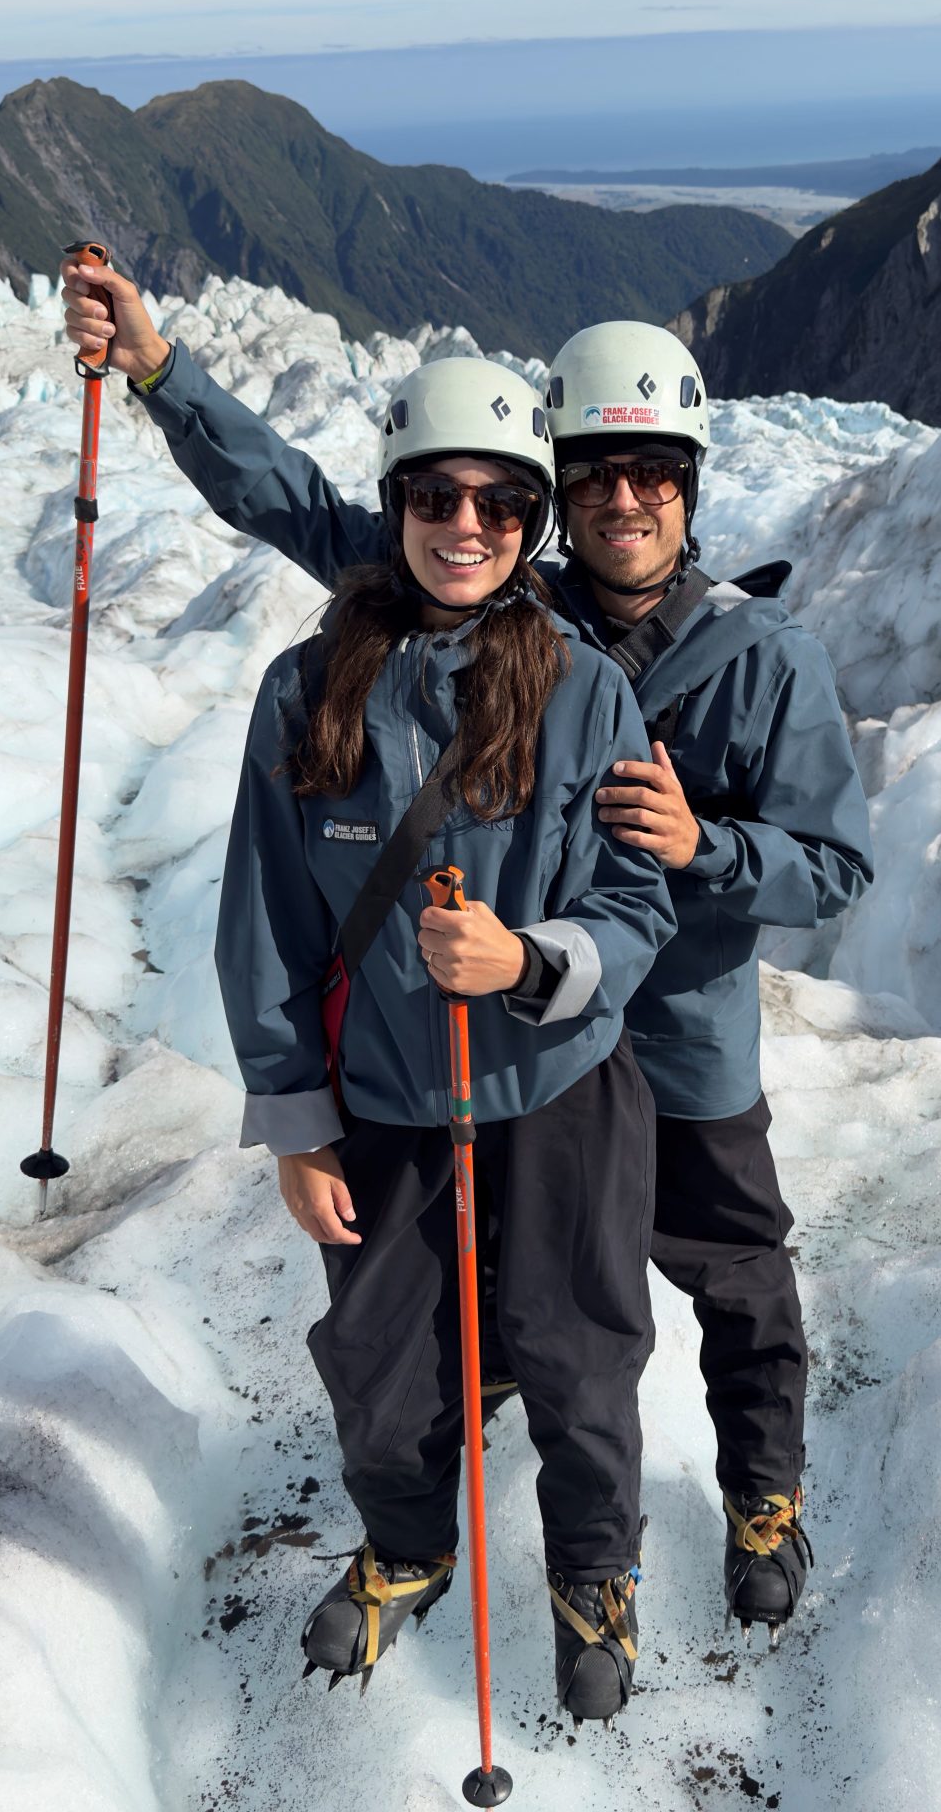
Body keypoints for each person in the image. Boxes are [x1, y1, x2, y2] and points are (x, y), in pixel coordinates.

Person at [64, 264, 872, 1646]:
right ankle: (454, 1503)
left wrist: (702, 851)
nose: (625, 499)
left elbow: (836, 868)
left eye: (654, 473)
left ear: (689, 485)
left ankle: (763, 1498)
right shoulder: (514, 604)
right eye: (598, 472)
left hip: (675, 1042)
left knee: (733, 1277)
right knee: (520, 1294)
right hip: (518, 1046)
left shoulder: (763, 660)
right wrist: (159, 373)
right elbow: (308, 509)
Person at [216, 353, 676, 1721]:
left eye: (496, 501)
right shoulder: (309, 696)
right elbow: (268, 926)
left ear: (531, 522)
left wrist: (530, 961)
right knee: (382, 1364)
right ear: (396, 503)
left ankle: (595, 1570)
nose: (464, 524)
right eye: (435, 494)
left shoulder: (586, 692)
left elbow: (637, 896)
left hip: (558, 1088)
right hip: (386, 1106)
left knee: (579, 1350)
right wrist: (296, 1126)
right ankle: (410, 1548)